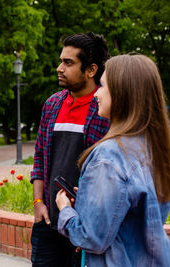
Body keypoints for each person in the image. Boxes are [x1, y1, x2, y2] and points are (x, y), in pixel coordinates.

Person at [56, 54, 170, 266]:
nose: (97, 93)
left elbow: (91, 238)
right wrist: (93, 201)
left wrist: (65, 210)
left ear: (122, 94)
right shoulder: (155, 147)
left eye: (102, 86)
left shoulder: (109, 155)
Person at [30, 32, 110, 266]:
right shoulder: (53, 104)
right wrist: (38, 203)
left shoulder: (105, 109)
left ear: (91, 70)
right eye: (60, 61)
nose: (59, 68)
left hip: (84, 226)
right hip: (47, 224)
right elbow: (39, 158)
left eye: (68, 62)